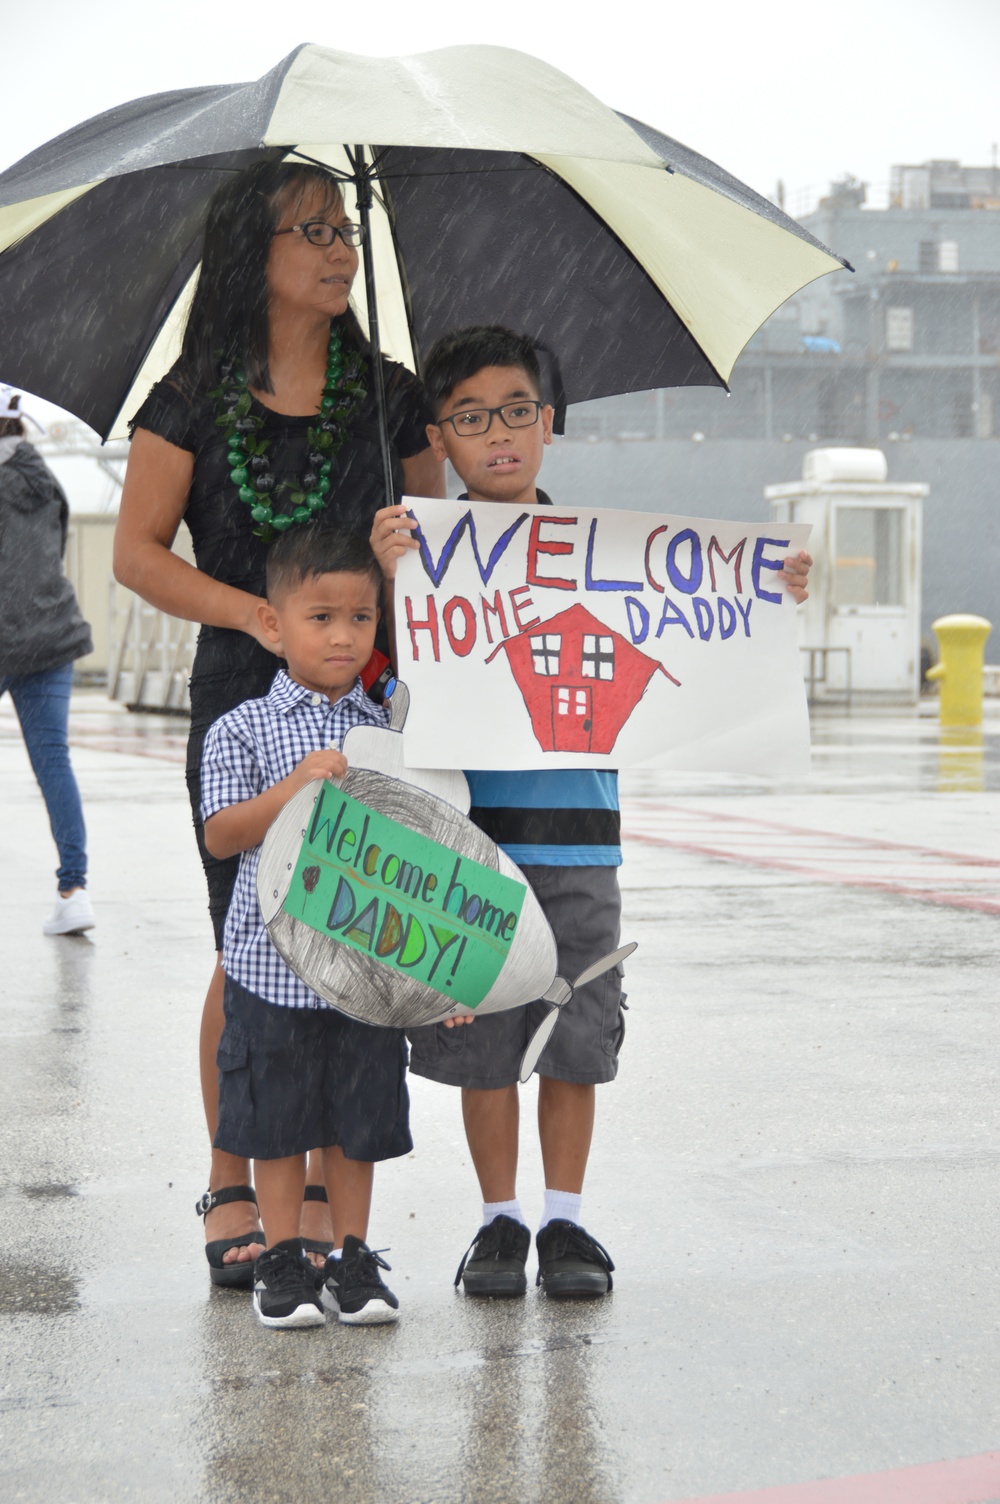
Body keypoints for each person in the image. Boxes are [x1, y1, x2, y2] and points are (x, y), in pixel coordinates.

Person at [370, 325, 813, 1299]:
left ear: (550, 424)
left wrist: (771, 591)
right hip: (466, 838)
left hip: (581, 835)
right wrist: (387, 569)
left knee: (573, 1027)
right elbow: (377, 675)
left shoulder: (609, 560)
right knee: (480, 1032)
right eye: (471, 417)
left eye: (516, 411)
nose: (498, 434)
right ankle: (498, 1221)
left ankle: (565, 1220)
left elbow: (706, 628)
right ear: (438, 437)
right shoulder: (418, 555)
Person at [114, 158, 443, 1285]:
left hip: (365, 699)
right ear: (252, 254)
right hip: (242, 698)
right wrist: (253, 613)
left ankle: (318, 1196)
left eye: (344, 228)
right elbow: (136, 555)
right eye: (312, 231)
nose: (338, 248)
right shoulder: (192, 395)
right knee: (250, 944)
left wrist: (411, 540)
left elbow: (441, 553)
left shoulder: (389, 393)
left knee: (343, 931)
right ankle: (230, 1176)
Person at [201, 525, 409, 1329]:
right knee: (278, 1124)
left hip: (362, 972)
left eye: (360, 617)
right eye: (320, 616)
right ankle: (284, 1261)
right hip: (272, 967)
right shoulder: (241, 729)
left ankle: (352, 1258)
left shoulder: (390, 731)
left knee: (356, 1128)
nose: (343, 635)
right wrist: (291, 791)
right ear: (275, 624)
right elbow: (221, 835)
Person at [0, 385, 95, 936]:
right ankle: (74, 890)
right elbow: (51, 552)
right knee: (53, 762)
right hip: (52, 635)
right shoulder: (43, 479)